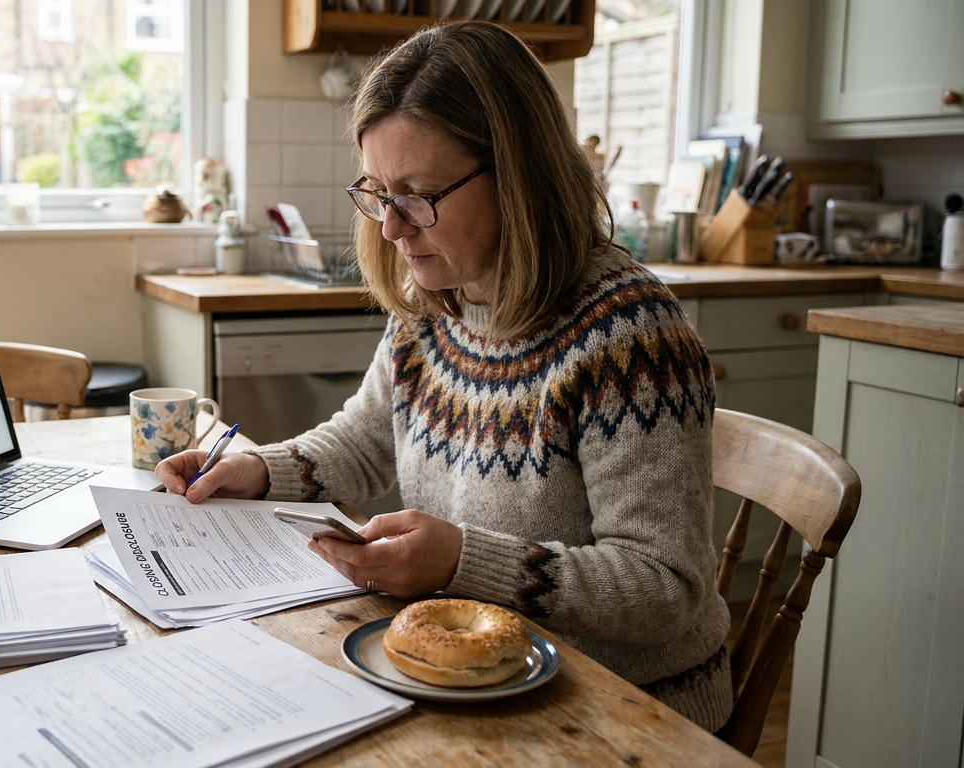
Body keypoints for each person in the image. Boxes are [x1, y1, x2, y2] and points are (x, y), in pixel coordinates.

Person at [155, 21, 732, 732]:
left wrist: (463, 561)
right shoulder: (435, 304)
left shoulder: (631, 338)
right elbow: (366, 442)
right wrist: (255, 470)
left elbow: (663, 588)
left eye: (419, 194)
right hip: (470, 679)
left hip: (626, 710)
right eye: (377, 192)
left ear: (518, 178)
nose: (393, 229)